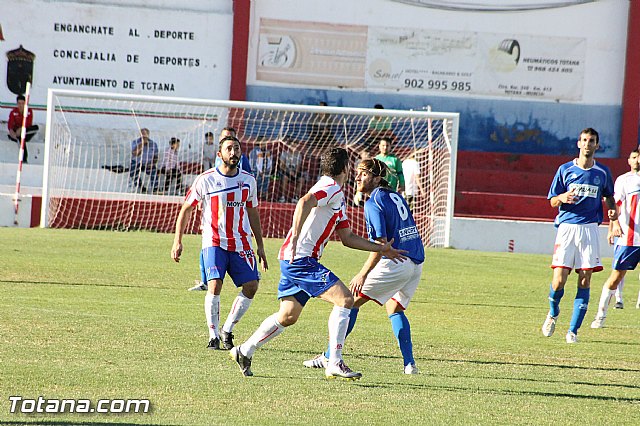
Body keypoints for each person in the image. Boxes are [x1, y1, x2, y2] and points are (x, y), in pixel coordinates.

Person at [229, 147, 407, 379]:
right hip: (301, 259)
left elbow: (347, 238)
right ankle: (334, 362)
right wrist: (294, 236)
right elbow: (304, 202)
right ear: (345, 168)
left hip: (294, 259)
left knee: (288, 315)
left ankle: (244, 350)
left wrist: (381, 248)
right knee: (345, 299)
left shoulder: (336, 194)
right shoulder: (330, 186)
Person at [303, 158, 424, 374]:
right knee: (394, 308)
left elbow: (380, 245)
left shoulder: (373, 202)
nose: (358, 176)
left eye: (364, 173)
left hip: (397, 262)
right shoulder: (394, 195)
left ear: (377, 178)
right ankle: (409, 364)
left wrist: (362, 274)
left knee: (350, 302)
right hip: (416, 262)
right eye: (357, 172)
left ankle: (329, 357)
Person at [172, 135, 268, 351]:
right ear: (219, 154)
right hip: (213, 240)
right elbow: (186, 209)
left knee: (252, 286)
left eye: (236, 148)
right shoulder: (205, 179)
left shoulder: (248, 181)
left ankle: (227, 329)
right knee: (215, 285)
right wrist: (178, 240)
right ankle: (213, 335)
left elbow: (253, 212)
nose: (233, 152)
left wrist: (260, 245)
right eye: (229, 149)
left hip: (241, 243)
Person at [541, 128, 616, 343]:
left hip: (590, 230)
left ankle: (573, 330)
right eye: (584, 140)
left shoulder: (602, 173)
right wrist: (562, 197)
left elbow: (609, 197)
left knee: (585, 279)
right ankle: (553, 313)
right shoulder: (565, 170)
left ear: (597, 146)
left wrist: (612, 213)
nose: (587, 144)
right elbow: (552, 201)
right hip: (567, 229)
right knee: (558, 282)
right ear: (578, 143)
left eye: (591, 141)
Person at [189, 126, 254, 291]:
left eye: (231, 138)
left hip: (235, 221)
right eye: (225, 137)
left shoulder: (243, 166)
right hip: (214, 212)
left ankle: (210, 281)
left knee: (251, 285)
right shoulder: (215, 164)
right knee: (208, 244)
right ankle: (205, 280)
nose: (233, 151)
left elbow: (242, 186)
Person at [590, 149, 640, 328]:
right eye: (635, 157)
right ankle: (600, 316)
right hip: (630, 238)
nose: (638, 160)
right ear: (629, 160)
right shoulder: (624, 180)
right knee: (616, 277)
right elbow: (615, 207)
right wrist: (613, 227)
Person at [7, 94, 39, 163]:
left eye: (22, 103)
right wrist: (12, 131)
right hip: (18, 134)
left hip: (26, 131)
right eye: (19, 103)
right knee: (21, 137)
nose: (21, 105)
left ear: (25, 104)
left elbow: (28, 123)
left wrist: (21, 129)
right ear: (17, 104)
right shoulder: (13, 112)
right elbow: (10, 125)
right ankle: (24, 159)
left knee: (35, 128)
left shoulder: (29, 111)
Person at [128, 128, 159, 193]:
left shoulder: (153, 144)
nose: (144, 137)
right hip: (137, 162)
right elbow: (135, 153)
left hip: (148, 163)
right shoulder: (135, 142)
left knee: (154, 172)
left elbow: (156, 156)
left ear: (148, 135)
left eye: (145, 135)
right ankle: (141, 187)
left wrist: (152, 163)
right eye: (142, 135)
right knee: (133, 172)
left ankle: (155, 189)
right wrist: (141, 144)